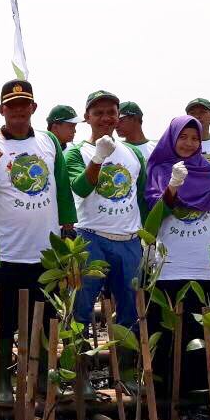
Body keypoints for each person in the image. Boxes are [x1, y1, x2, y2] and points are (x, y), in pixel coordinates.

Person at [0, 79, 78, 405]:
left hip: (45, 250)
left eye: (23, 105)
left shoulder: (49, 143)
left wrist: (68, 229)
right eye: (11, 106)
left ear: (33, 108)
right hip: (7, 251)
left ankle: (41, 378)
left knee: (45, 320)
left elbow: (62, 190)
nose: (17, 111)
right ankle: (1, 381)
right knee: (2, 321)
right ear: (2, 110)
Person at [146, 115, 210, 397]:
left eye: (194, 138)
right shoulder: (160, 170)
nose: (188, 143)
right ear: (172, 139)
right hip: (170, 263)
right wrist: (173, 186)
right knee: (169, 328)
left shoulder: (209, 171)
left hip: (205, 263)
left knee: (204, 326)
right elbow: (155, 212)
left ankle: (204, 390)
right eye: (183, 137)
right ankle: (167, 393)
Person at [66, 91, 147, 392]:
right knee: (81, 309)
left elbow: (141, 198)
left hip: (127, 240)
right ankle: (80, 376)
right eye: (98, 113)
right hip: (91, 237)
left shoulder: (133, 154)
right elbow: (80, 187)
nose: (106, 118)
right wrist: (98, 158)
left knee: (129, 309)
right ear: (87, 117)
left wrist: (145, 240)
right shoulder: (76, 153)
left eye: (111, 112)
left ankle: (125, 374)